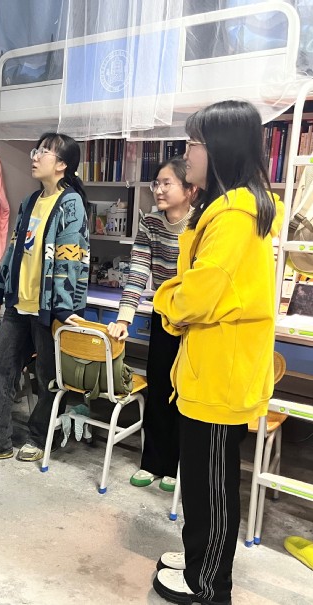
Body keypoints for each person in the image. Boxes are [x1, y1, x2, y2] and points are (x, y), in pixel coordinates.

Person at [151, 100, 283, 605]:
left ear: (220, 148)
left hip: (218, 372)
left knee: (211, 483)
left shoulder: (233, 216)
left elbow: (196, 296)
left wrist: (165, 300)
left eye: (194, 144)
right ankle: (198, 557)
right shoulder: (229, 207)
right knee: (203, 476)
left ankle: (208, 583)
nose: (187, 155)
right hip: (214, 367)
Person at [0, 133, 90, 464]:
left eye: (44, 152)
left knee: (48, 378)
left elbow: (71, 259)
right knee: (1, 370)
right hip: (19, 305)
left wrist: (64, 309)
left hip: (50, 309)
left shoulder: (71, 204)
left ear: (62, 165)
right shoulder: (30, 202)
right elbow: (13, 249)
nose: (35, 157)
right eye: (36, 150)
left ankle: (41, 437)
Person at [106, 156, 197, 493]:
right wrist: (124, 316)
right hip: (163, 315)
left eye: (166, 183)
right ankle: (153, 463)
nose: (158, 189)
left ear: (190, 189)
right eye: (156, 183)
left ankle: (177, 466)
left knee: (185, 392)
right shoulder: (151, 222)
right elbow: (138, 270)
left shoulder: (200, 223)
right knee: (159, 387)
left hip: (194, 321)